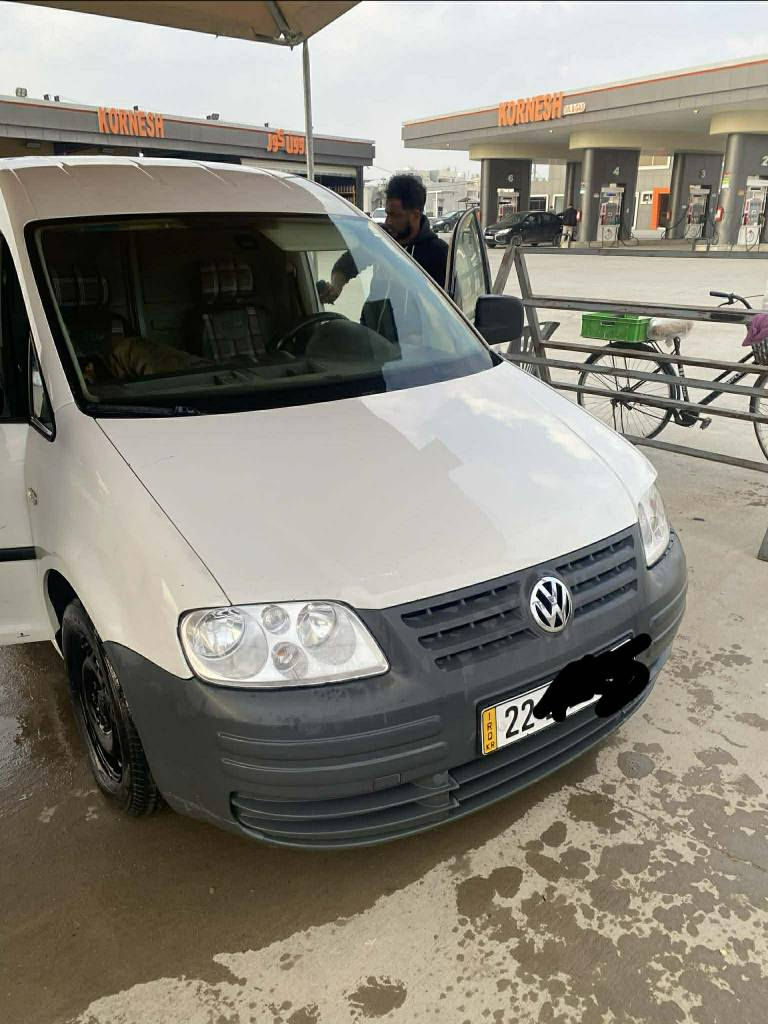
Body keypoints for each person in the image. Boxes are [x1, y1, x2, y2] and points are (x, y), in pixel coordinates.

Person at [319, 174, 449, 303]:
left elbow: (443, 306)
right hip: (372, 317)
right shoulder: (380, 238)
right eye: (387, 214)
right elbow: (344, 266)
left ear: (415, 215)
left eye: (395, 215)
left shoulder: (439, 253)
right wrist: (335, 287)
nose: (388, 222)